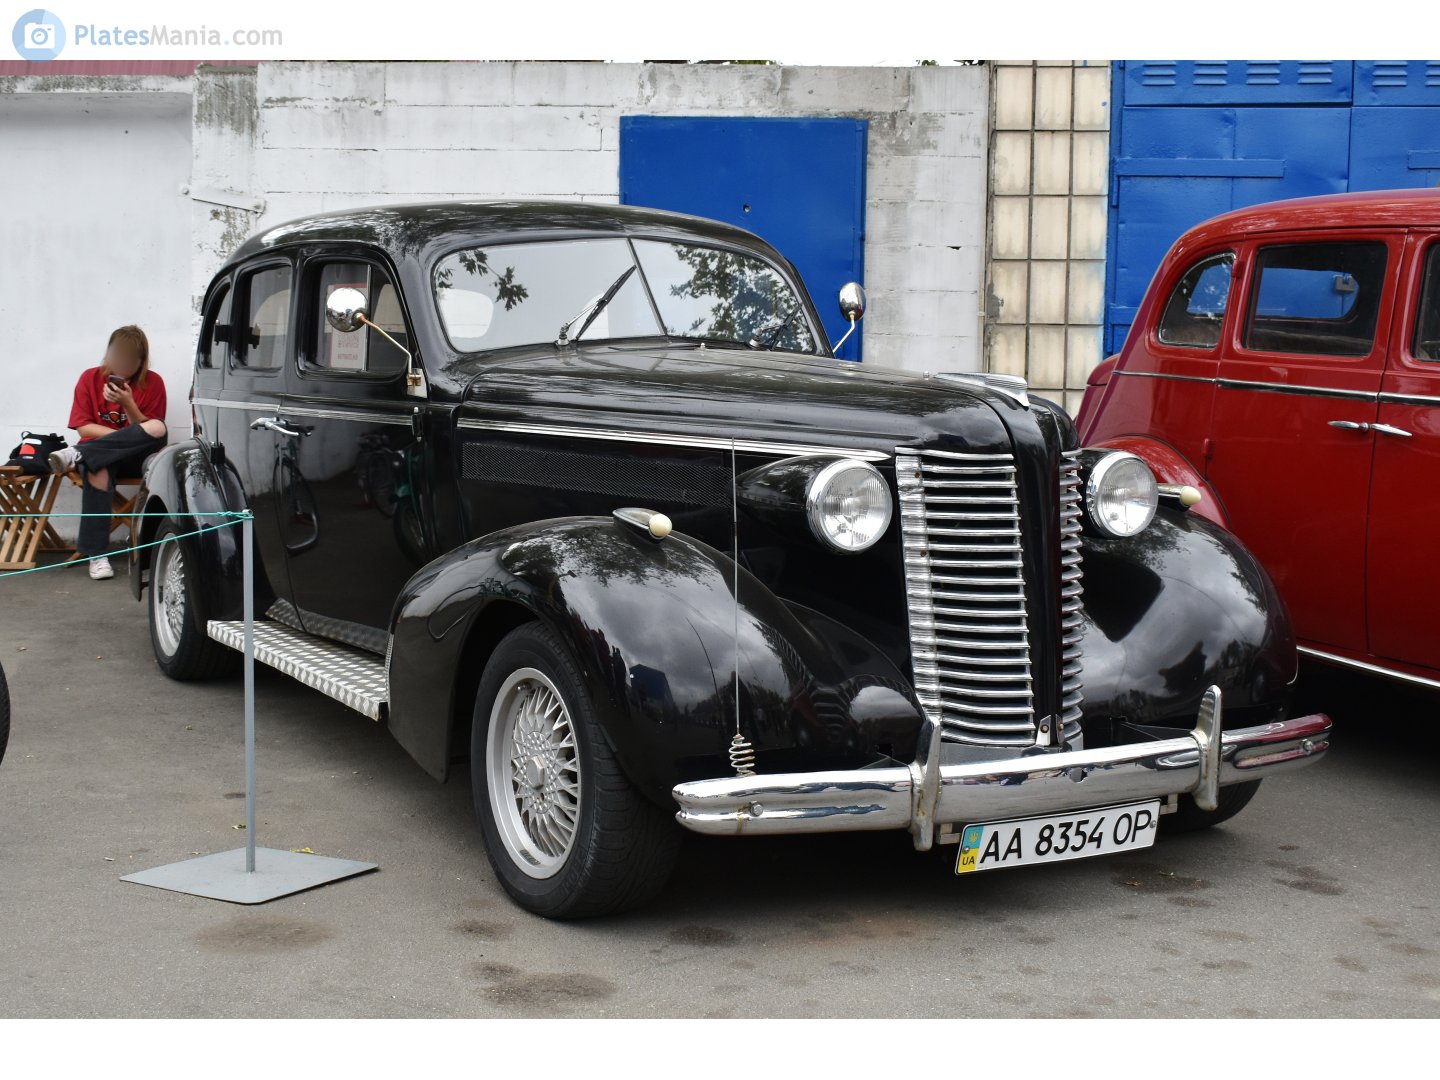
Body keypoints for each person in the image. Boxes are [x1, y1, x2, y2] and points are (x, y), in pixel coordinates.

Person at [48, 325, 168, 580]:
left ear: (141, 361)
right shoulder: (89, 378)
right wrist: (121, 438)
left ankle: (77, 454)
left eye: (130, 360)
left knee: (158, 427)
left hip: (135, 457)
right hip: (101, 456)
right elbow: (83, 426)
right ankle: (97, 555)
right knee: (98, 468)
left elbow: (149, 431)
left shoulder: (153, 382)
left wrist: (128, 403)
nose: (122, 364)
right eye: (117, 357)